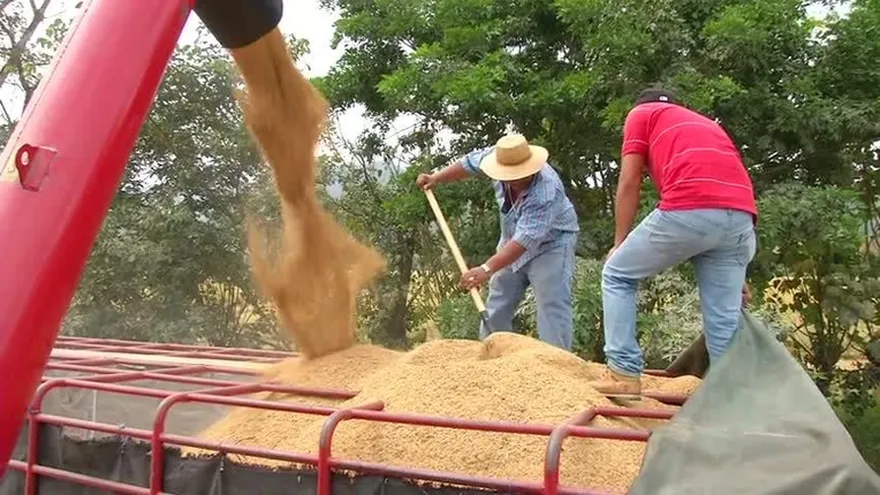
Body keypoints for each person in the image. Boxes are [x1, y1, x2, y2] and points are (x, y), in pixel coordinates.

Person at [588, 88, 758, 398]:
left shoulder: (642, 114)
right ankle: (732, 403)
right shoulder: (707, 124)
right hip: (741, 219)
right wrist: (738, 271)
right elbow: (721, 203)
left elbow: (629, 181)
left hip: (690, 205)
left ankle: (623, 374)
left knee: (617, 274)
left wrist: (619, 243)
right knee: (723, 321)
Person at [417, 134, 579, 350]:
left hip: (551, 245)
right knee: (497, 302)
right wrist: (436, 177)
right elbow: (469, 163)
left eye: (519, 175)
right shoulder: (496, 158)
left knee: (552, 304)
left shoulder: (547, 191)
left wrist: (486, 268)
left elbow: (525, 240)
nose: (513, 180)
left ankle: (556, 362)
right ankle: (493, 355)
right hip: (511, 241)